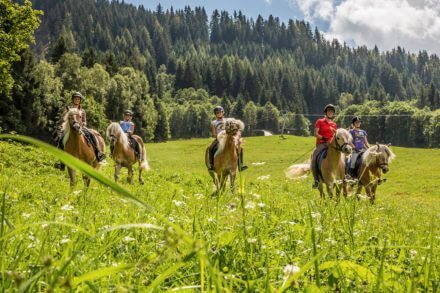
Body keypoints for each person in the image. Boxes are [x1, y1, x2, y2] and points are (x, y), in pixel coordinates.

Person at [53, 92, 105, 170]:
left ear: (80, 100)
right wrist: (61, 126)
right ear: (72, 99)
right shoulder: (68, 108)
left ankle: (98, 153)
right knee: (60, 139)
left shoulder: (82, 110)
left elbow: (84, 121)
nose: (77, 100)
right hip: (69, 128)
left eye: (78, 99)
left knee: (91, 135)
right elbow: (63, 118)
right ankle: (62, 161)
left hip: (80, 127)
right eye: (75, 98)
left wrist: (83, 124)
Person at [208, 106, 247, 171]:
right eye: (218, 113)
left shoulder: (227, 120)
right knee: (210, 147)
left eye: (221, 112)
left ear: (223, 113)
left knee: (240, 148)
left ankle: (240, 165)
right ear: (215, 114)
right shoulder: (213, 123)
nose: (219, 114)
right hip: (219, 139)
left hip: (228, 138)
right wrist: (219, 136)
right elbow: (214, 133)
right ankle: (212, 165)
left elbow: (235, 124)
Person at [310, 104, 337, 189]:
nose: (330, 113)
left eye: (332, 112)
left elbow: (335, 135)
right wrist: (323, 137)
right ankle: (316, 180)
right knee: (314, 159)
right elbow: (315, 133)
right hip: (322, 144)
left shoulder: (334, 124)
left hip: (331, 145)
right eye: (329, 111)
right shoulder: (320, 121)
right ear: (326, 112)